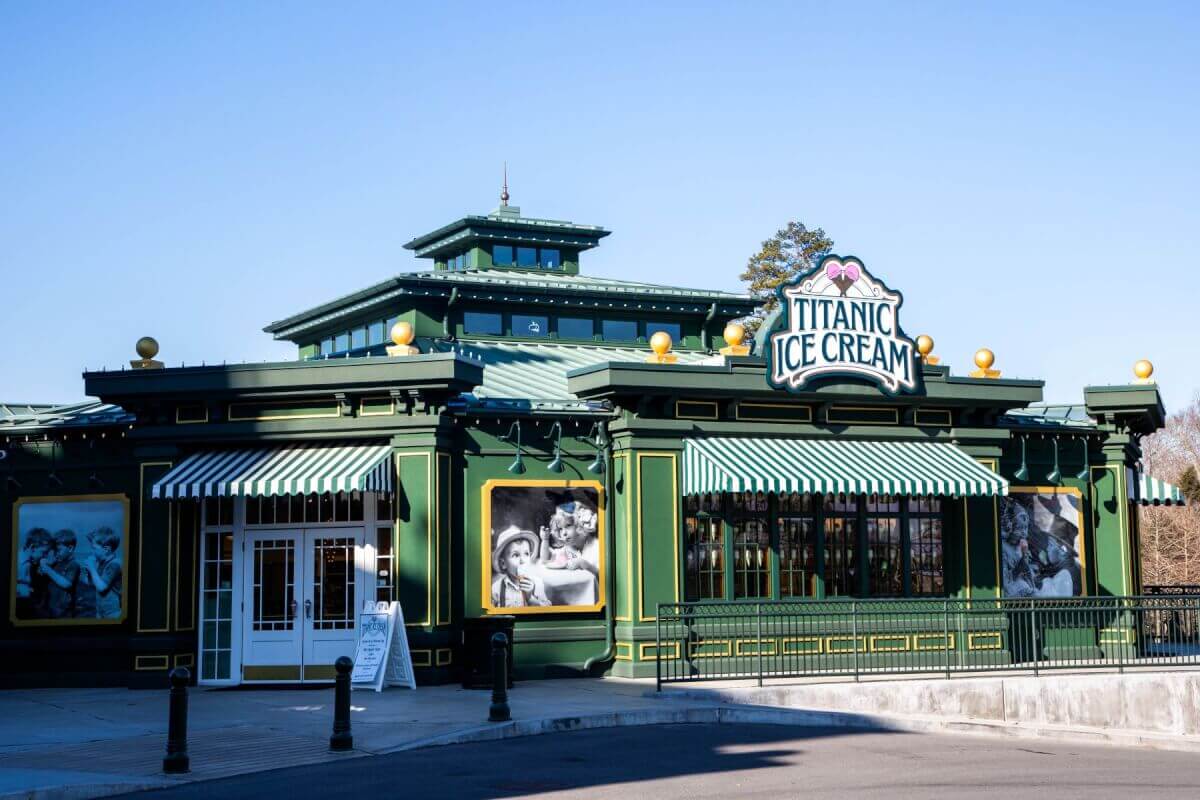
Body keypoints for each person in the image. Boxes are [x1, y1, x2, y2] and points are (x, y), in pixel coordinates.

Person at [491, 526, 549, 608]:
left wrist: (530, 598)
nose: (523, 560)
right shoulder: (496, 588)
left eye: (526, 554)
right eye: (516, 555)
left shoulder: (537, 584)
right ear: (503, 563)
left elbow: (546, 609)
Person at [81, 527, 122, 619]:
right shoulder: (101, 563)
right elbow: (91, 583)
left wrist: (92, 568)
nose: (92, 552)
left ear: (106, 549)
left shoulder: (114, 564)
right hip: (101, 611)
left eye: (94, 548)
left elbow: (102, 587)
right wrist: (87, 572)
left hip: (114, 612)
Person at [1000, 501, 1039, 598]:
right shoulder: (1003, 549)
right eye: (1020, 528)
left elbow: (1029, 576)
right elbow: (1005, 583)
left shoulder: (1020, 546)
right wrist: (1022, 562)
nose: (1024, 533)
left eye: (1026, 528)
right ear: (1009, 527)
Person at [41, 529, 81, 619]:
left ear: (70, 548)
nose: (56, 553)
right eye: (54, 550)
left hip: (64, 612)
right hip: (51, 608)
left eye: (59, 550)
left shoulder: (73, 564)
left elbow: (66, 584)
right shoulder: (56, 564)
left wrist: (47, 570)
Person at [15, 528, 53, 619]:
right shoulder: (18, 564)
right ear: (32, 547)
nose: (45, 556)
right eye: (44, 552)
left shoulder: (32, 563)